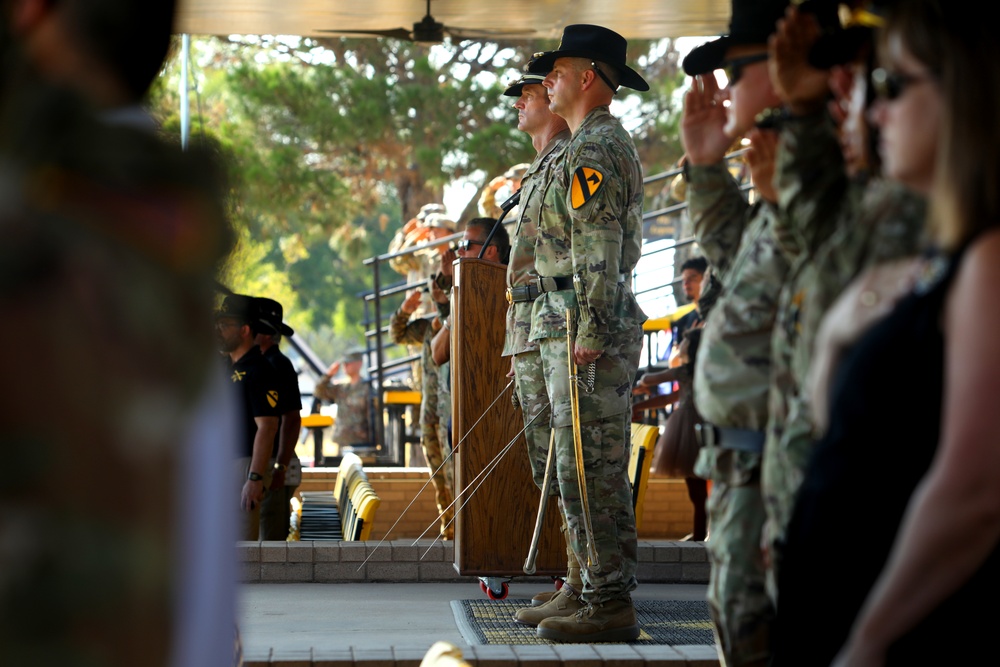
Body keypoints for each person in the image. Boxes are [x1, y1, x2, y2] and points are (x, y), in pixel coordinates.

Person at [773, 2, 1000, 664]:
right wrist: (841, 331)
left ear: (964, 88)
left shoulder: (987, 259)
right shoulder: (938, 259)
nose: (874, 110)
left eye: (892, 84)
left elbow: (975, 491)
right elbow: (841, 428)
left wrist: (867, 642)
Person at [679, 0, 836, 662]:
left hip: (785, 463)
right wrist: (708, 169)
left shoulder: (829, 157)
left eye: (737, 70)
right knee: (742, 632)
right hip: (742, 460)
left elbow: (826, 269)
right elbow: (737, 256)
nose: (725, 91)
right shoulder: (781, 157)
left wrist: (784, 188)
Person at [761, 0, 926, 603]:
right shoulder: (877, 202)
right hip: (815, 513)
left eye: (875, 80)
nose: (855, 103)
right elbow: (815, 224)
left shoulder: (927, 215)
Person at [514, 24, 648, 643]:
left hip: (583, 320)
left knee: (589, 467)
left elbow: (599, 245)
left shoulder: (594, 149)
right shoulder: (582, 145)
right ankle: (586, 584)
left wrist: (590, 328)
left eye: (556, 71)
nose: (547, 82)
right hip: (567, 316)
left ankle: (608, 600)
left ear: (587, 76)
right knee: (575, 466)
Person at [498, 61, 581, 621]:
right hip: (532, 325)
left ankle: (588, 583)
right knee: (544, 462)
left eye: (528, 93)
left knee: (573, 463)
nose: (521, 103)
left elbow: (582, 250)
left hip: (560, 322)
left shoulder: (572, 158)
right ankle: (573, 576)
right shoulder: (538, 166)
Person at [634, 255, 711, 542]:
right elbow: (676, 390)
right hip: (688, 416)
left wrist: (646, 383)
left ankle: (707, 529)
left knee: (704, 481)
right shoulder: (689, 321)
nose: (686, 284)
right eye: (685, 279)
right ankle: (702, 528)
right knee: (696, 483)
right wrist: (641, 402)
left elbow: (672, 378)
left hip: (699, 418)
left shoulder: (695, 359)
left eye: (693, 278)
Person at [389, 287, 455, 540]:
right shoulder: (428, 328)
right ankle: (448, 530)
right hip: (429, 414)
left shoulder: (456, 323)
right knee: (438, 477)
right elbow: (398, 335)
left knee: (453, 475)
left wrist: (445, 309)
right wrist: (405, 310)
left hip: (450, 416)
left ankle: (462, 534)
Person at [216, 294, 281, 540]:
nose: (218, 330)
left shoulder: (260, 370)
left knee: (241, 549)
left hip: (243, 464)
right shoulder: (225, 366)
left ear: (244, 329)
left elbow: (268, 427)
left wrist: (254, 477)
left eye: (224, 325)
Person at [255, 296, 304, 542]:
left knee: (269, 543)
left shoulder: (278, 365)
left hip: (274, 465)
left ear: (266, 334)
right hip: (267, 464)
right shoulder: (260, 363)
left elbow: (292, 419)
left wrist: (280, 467)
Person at [314, 349, 375, 460]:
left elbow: (373, 419)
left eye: (348, 363)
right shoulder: (341, 387)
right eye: (344, 363)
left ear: (359, 364)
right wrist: (329, 375)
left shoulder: (367, 388)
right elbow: (319, 391)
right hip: (342, 441)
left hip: (360, 443)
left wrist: (374, 442)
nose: (345, 365)